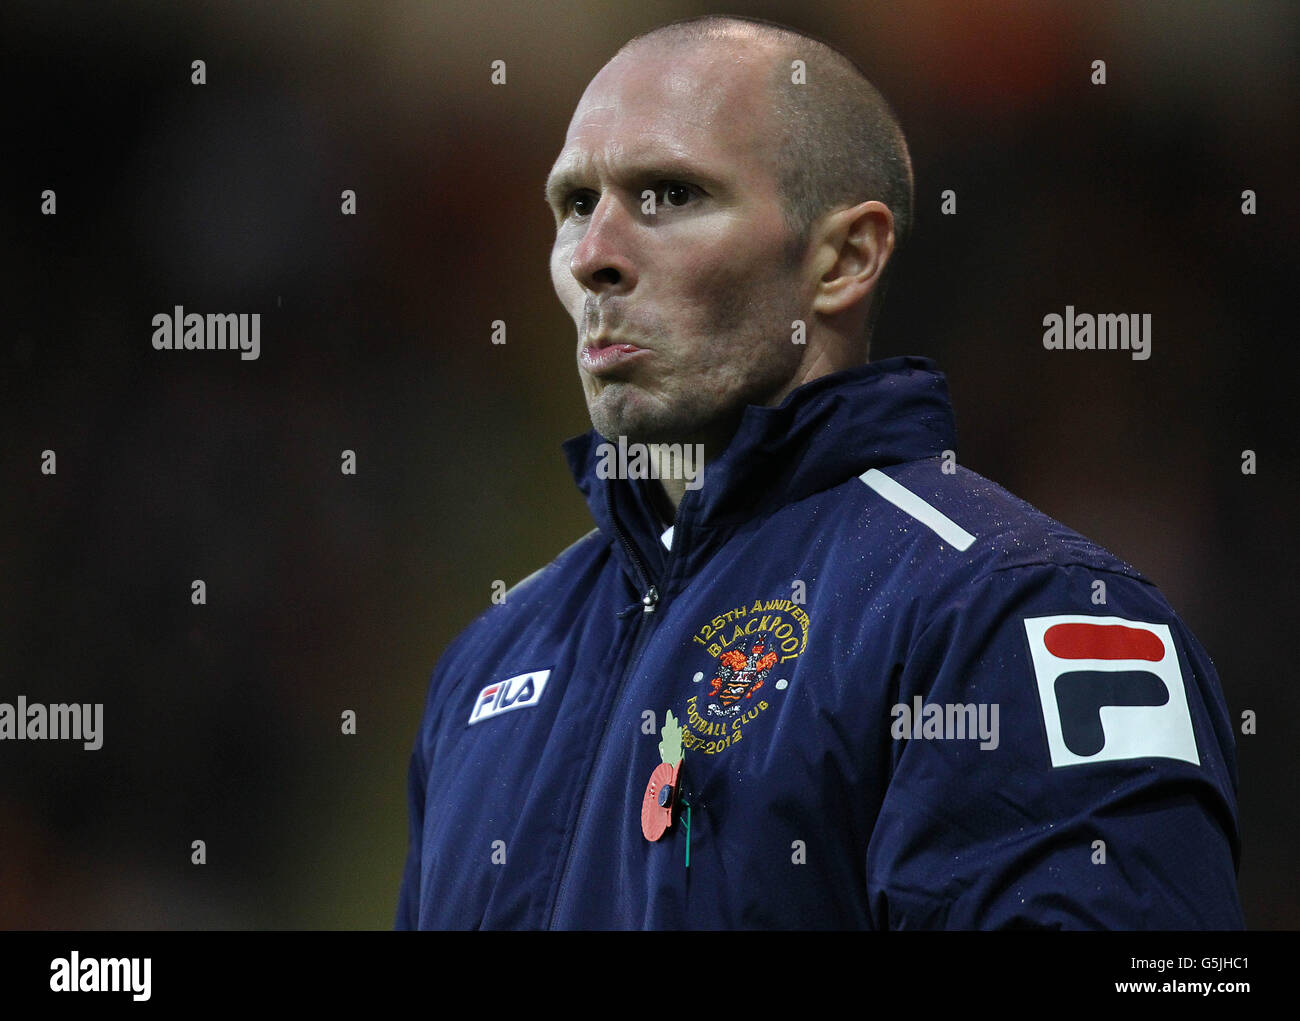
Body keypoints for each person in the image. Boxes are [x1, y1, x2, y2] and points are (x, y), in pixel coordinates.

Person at [396, 15, 1243, 929]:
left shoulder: (1015, 612)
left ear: (843, 259)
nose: (594, 254)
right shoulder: (491, 663)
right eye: (574, 204)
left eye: (670, 194)